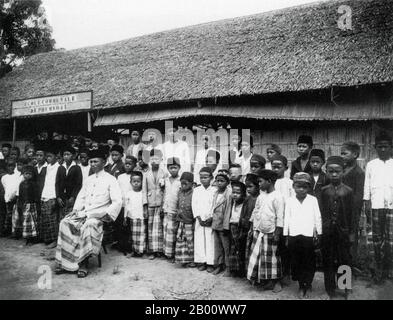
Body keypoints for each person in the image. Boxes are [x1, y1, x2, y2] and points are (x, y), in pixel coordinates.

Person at [55, 147, 122, 277]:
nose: (93, 164)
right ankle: (66, 263)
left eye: (96, 161)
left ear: (104, 162)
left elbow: (117, 201)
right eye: (91, 162)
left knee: (88, 225)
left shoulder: (111, 179)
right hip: (84, 213)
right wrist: (75, 210)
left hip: (99, 216)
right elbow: (81, 197)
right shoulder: (89, 179)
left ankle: (83, 263)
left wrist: (105, 214)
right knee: (65, 222)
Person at [284, 172, 322, 299]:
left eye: (305, 187)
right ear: (293, 187)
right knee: (297, 260)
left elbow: (318, 217)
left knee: (309, 260)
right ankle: (301, 284)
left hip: (308, 235)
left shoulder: (313, 200)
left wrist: (318, 233)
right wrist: (286, 235)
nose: (301, 189)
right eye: (298, 186)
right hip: (294, 235)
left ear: (309, 188)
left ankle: (308, 282)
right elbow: (286, 218)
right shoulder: (289, 201)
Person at [321, 156, 354, 299]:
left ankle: (345, 287)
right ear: (327, 171)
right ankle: (330, 289)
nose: (334, 174)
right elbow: (321, 212)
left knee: (344, 258)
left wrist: (351, 232)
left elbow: (352, 214)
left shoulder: (348, 191)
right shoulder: (324, 191)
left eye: (337, 171)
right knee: (328, 259)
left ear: (343, 171)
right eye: (331, 171)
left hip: (343, 231)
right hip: (327, 231)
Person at [247, 169, 284, 293]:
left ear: (269, 181)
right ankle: (267, 280)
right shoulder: (261, 196)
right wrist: (252, 227)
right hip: (259, 231)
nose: (259, 184)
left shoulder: (278, 197)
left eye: (261, 182)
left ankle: (277, 281)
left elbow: (280, 216)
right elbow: (256, 211)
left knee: (273, 258)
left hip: (271, 232)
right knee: (262, 258)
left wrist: (278, 233)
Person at [364, 132, 393, 283]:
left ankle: (389, 270)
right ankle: (377, 271)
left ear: (391, 147)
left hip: (391, 207)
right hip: (376, 205)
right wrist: (367, 202)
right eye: (380, 147)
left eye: (385, 147)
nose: (383, 149)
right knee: (376, 238)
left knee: (390, 239)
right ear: (375, 148)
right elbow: (367, 185)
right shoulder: (371, 165)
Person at [341, 141, 365, 269]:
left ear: (355, 154)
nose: (342, 156)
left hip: (351, 213)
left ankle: (349, 271)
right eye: (341, 154)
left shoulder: (358, 173)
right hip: (339, 211)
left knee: (350, 241)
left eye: (345, 153)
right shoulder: (341, 170)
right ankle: (340, 269)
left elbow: (358, 197)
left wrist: (352, 213)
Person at [271, 154, 293, 286]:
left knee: (284, 249)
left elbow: (291, 203)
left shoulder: (289, 183)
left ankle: (285, 273)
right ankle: (274, 276)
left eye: (278, 167)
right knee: (272, 249)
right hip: (271, 221)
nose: (275, 169)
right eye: (273, 166)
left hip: (284, 221)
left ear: (286, 167)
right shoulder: (269, 183)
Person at [143, 148, 166, 260]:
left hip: (161, 202)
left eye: (156, 159)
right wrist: (145, 205)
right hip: (151, 202)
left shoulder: (165, 173)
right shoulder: (146, 174)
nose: (154, 161)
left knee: (160, 227)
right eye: (152, 159)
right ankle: (151, 250)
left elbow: (167, 190)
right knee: (151, 227)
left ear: (161, 159)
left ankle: (160, 250)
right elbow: (144, 190)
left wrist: (164, 204)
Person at [193, 167, 216, 272]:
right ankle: (201, 261)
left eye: (205, 177)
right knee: (199, 240)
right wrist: (198, 217)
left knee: (210, 240)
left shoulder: (215, 190)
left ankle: (210, 262)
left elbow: (215, 206)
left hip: (210, 220)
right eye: (201, 177)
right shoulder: (197, 190)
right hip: (200, 220)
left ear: (211, 178)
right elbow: (194, 205)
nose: (203, 180)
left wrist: (211, 217)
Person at [238, 173, 260, 276]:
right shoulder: (247, 199)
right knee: (244, 250)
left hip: (254, 228)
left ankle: (254, 273)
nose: (248, 189)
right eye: (246, 186)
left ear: (258, 186)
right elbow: (243, 212)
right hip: (245, 228)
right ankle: (245, 271)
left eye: (250, 186)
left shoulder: (260, 199)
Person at [40, 145, 61, 248]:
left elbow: (58, 183)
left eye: (50, 156)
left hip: (52, 195)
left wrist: (56, 197)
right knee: (46, 218)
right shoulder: (46, 168)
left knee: (53, 218)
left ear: (56, 157)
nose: (48, 158)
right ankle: (47, 238)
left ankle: (55, 240)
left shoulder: (59, 167)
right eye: (47, 157)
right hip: (45, 194)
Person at [211, 172, 232, 276]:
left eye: (222, 181)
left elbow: (228, 210)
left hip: (224, 225)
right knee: (217, 246)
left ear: (227, 182)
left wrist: (226, 225)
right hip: (215, 223)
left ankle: (228, 268)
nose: (219, 183)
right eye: (217, 181)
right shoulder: (215, 193)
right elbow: (213, 208)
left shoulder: (228, 194)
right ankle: (218, 265)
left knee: (226, 247)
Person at [124, 171, 148, 257]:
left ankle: (142, 251)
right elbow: (126, 206)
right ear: (130, 182)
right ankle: (134, 251)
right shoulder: (128, 193)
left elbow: (145, 205)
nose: (136, 183)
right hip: (132, 217)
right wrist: (125, 217)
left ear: (142, 182)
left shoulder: (143, 193)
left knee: (142, 235)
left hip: (141, 217)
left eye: (138, 181)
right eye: (134, 181)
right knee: (133, 235)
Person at [162, 157, 181, 262]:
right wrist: (162, 206)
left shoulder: (180, 180)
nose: (173, 170)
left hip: (175, 210)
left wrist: (179, 209)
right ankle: (167, 253)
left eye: (175, 167)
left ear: (179, 168)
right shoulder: (165, 180)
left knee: (173, 232)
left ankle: (173, 253)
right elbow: (164, 193)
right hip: (166, 209)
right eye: (170, 168)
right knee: (166, 231)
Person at [117, 155, 137, 253]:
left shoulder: (136, 176)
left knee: (131, 225)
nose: (127, 166)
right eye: (126, 164)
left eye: (130, 164)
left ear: (134, 165)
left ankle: (131, 246)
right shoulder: (120, 177)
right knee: (122, 225)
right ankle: (122, 245)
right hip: (122, 204)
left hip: (133, 204)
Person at [56, 146, 83, 218]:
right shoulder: (61, 167)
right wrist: (58, 196)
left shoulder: (77, 168)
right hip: (62, 197)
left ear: (73, 156)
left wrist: (73, 196)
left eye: (68, 154)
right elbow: (57, 183)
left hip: (71, 196)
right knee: (61, 216)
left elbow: (78, 184)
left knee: (70, 216)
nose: (66, 156)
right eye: (64, 155)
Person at [174, 172, 195, 267]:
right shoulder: (179, 192)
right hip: (181, 221)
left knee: (190, 240)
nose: (183, 185)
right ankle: (183, 259)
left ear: (192, 184)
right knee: (181, 239)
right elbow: (178, 204)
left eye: (185, 183)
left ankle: (192, 260)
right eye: (182, 183)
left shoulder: (194, 193)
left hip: (189, 221)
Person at [228, 181, 246, 277]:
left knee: (240, 248)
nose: (235, 195)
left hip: (240, 227)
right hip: (232, 226)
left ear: (243, 194)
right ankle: (234, 269)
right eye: (233, 192)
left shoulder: (244, 204)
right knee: (233, 248)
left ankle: (241, 270)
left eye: (238, 193)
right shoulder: (232, 202)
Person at [18, 165, 40, 245]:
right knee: (25, 222)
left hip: (32, 205)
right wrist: (20, 205)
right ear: (23, 174)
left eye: (30, 174)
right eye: (26, 173)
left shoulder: (34, 184)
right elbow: (20, 196)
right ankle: (27, 238)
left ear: (33, 175)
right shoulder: (21, 184)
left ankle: (32, 239)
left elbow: (36, 196)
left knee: (33, 223)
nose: (28, 175)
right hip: (24, 205)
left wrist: (36, 205)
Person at [1, 161, 21, 237]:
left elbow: (16, 187)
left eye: (12, 166)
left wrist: (15, 196)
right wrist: (8, 198)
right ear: (6, 167)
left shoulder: (17, 176)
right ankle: (7, 231)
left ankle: (15, 232)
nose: (11, 168)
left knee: (15, 216)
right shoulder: (4, 177)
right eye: (9, 166)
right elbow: (5, 188)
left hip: (15, 198)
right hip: (8, 199)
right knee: (8, 215)